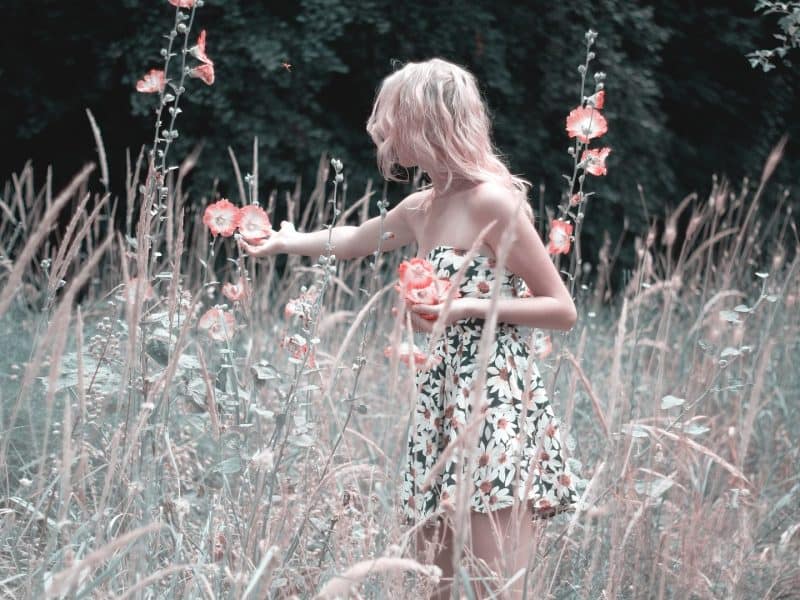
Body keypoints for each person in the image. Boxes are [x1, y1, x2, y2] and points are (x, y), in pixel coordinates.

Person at [240, 57, 580, 600]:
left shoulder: (493, 201)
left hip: (497, 404)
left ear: (427, 122)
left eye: (392, 120)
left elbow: (562, 309)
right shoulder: (422, 206)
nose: (384, 134)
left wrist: (467, 306)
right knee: (431, 587)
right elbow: (353, 240)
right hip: (439, 401)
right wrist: (284, 241)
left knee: (499, 589)